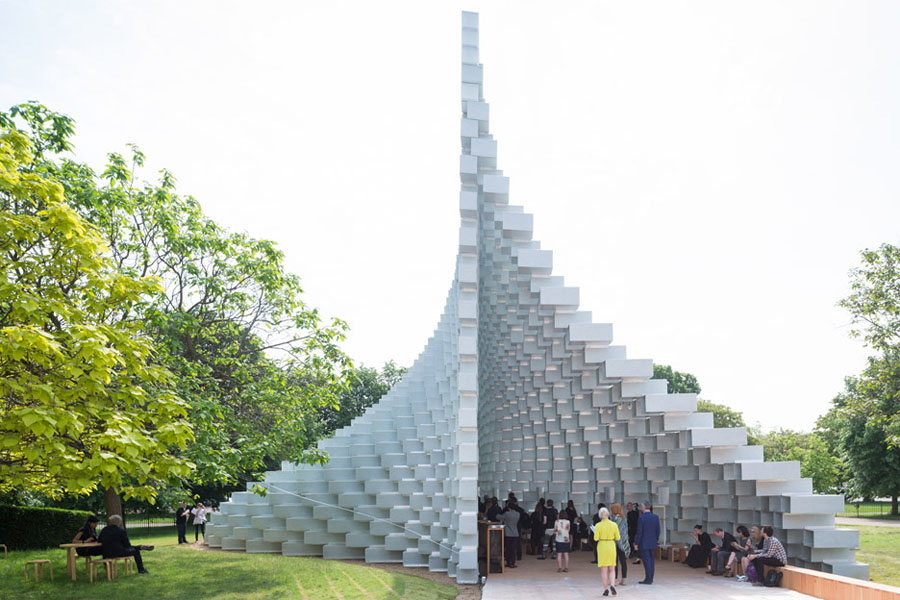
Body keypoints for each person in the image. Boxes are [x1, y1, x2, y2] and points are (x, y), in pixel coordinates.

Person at [593, 507, 620, 596]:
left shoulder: (598, 525)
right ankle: (612, 584)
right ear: (608, 514)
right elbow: (618, 538)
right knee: (612, 569)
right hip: (611, 545)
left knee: (604, 570)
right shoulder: (614, 525)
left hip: (602, 546)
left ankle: (605, 588)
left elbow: (596, 538)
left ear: (600, 515)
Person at [633, 501, 660, 584]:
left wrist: (636, 543)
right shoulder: (656, 517)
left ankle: (648, 579)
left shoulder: (641, 518)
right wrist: (655, 539)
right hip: (652, 542)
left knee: (646, 560)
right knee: (651, 560)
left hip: (644, 542)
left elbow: (639, 532)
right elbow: (658, 531)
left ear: (644, 507)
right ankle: (650, 577)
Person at [610, 503, 630, 586]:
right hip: (623, 542)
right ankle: (623, 580)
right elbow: (625, 531)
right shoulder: (624, 519)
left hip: (614, 542)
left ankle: (614, 580)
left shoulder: (612, 520)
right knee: (623, 562)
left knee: (614, 562)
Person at [499, 499, 520, 569]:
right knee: (513, 549)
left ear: (508, 507)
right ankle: (513, 562)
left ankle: (508, 562)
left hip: (507, 533)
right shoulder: (518, 514)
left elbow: (499, 517)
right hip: (515, 533)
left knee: (508, 548)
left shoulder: (506, 514)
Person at [554, 507, 571, 573]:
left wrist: (559, 532)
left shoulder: (557, 521)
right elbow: (568, 530)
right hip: (566, 539)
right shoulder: (568, 522)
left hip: (559, 539)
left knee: (559, 554)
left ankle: (559, 568)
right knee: (566, 554)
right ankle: (566, 568)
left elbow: (555, 530)